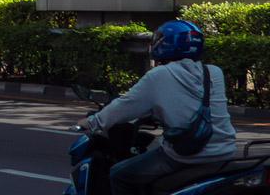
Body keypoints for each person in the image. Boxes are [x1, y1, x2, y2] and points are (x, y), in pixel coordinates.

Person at [85, 20, 236, 195]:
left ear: (166, 44)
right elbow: (187, 103)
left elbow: (125, 106)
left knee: (120, 174)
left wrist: (93, 122)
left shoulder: (158, 75)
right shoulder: (214, 72)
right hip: (225, 151)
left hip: (188, 156)